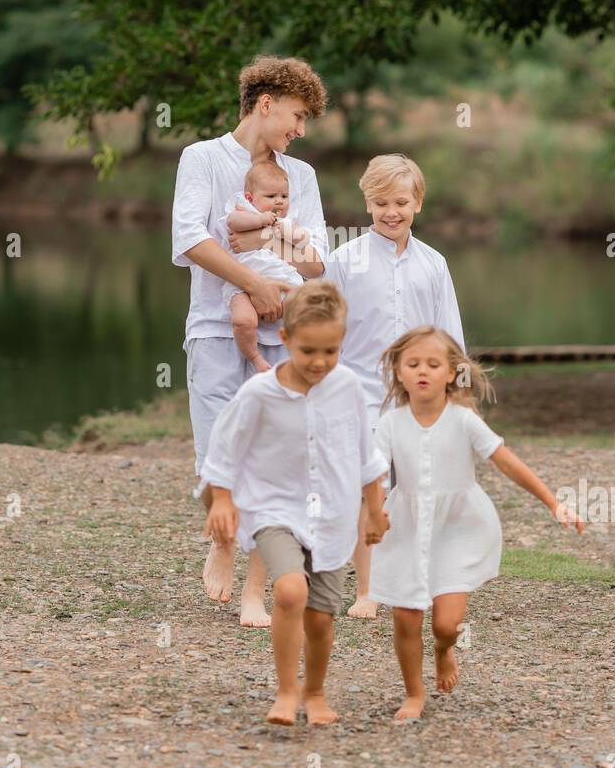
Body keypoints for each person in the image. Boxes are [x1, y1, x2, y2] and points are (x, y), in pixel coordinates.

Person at [172, 55, 328, 625]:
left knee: (277, 453)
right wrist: (252, 279)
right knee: (217, 447)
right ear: (265, 104)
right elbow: (191, 238)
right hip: (216, 327)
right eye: (297, 115)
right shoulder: (203, 159)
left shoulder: (301, 177)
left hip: (283, 333)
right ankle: (221, 539)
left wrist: (266, 254)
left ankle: (256, 590)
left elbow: (316, 263)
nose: (300, 129)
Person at [367, 325, 583, 722]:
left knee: (446, 623)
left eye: (434, 364)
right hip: (406, 527)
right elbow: (376, 474)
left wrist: (554, 503)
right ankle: (414, 693)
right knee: (406, 616)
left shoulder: (463, 420)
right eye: (413, 364)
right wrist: (374, 511)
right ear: (398, 371)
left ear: (452, 373)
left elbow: (506, 461)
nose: (423, 371)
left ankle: (444, 648)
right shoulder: (390, 423)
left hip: (458, 529)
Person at [201, 282, 390, 725]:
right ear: (285, 340)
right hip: (274, 508)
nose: (320, 362)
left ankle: (316, 692)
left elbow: (367, 458)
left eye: (332, 351)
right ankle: (286, 692)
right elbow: (224, 449)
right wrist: (222, 500)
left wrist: (376, 511)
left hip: (333, 516)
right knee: (289, 590)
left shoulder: (346, 388)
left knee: (322, 618)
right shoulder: (258, 394)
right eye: (309, 351)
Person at [325, 153, 464, 618]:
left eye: (401, 202)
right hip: (360, 395)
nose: (391, 212)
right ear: (367, 204)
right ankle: (367, 589)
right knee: (373, 491)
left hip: (421, 399)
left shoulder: (434, 265)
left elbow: (450, 336)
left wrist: (456, 398)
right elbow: (327, 333)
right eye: (381, 202)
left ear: (418, 203)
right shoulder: (344, 261)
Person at [222, 159, 318, 372]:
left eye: (284, 196)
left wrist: (277, 232)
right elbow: (232, 223)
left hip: (284, 283)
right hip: (242, 284)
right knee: (242, 321)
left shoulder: (286, 222)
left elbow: (302, 240)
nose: (279, 202)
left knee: (309, 313)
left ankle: (308, 356)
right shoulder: (243, 210)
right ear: (250, 198)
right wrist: (260, 221)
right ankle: (255, 358)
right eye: (271, 196)